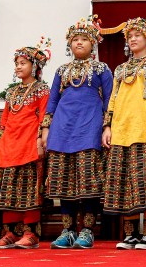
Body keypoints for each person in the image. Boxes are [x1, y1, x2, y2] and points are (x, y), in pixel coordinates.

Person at [43, 16, 112, 249]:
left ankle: (87, 230)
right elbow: (52, 100)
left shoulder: (102, 69)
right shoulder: (62, 70)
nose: (79, 43)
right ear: (69, 44)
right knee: (62, 179)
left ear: (93, 44)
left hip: (89, 126)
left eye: (84, 39)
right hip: (62, 128)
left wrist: (107, 126)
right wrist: (46, 129)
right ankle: (68, 230)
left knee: (88, 180)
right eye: (75, 40)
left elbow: (110, 100)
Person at [102, 17, 146, 250]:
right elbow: (112, 99)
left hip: (144, 128)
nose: (132, 39)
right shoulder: (120, 69)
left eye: (137, 35)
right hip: (121, 130)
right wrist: (107, 126)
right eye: (129, 36)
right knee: (125, 182)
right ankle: (130, 233)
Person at [0, 38, 51, 249]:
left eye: (23, 63)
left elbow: (44, 116)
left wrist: (41, 140)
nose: (18, 67)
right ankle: (10, 233)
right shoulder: (12, 92)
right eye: (17, 63)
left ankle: (30, 233)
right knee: (9, 189)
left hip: (29, 143)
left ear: (35, 65)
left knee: (29, 189)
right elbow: (4, 120)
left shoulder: (42, 89)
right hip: (9, 144)